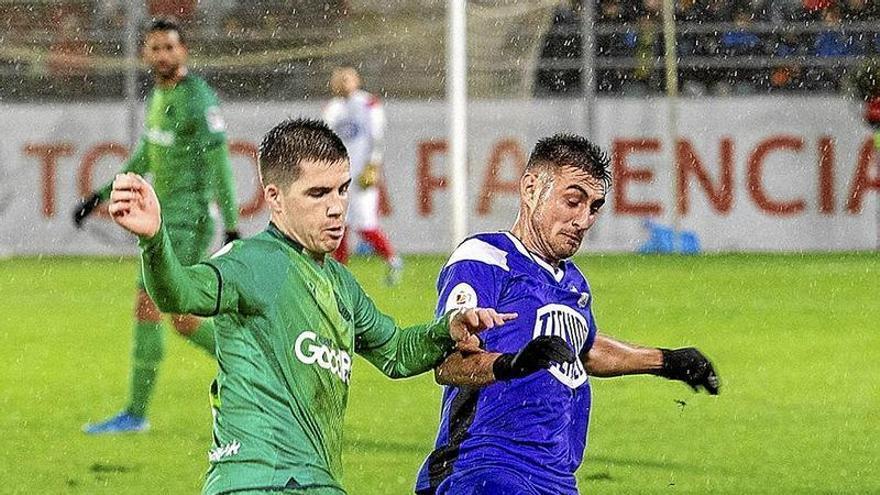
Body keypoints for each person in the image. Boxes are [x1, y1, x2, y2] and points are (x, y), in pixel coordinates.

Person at [106, 118, 574, 495]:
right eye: (317, 193)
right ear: (275, 199)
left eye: (342, 189)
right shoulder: (251, 262)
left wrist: (449, 328)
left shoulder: (339, 284)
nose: (337, 208)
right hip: (253, 479)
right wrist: (154, 240)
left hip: (317, 482)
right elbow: (179, 294)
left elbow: (394, 351)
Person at [414, 134, 720, 495]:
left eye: (593, 207)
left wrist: (665, 361)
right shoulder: (485, 258)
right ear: (531, 189)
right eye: (573, 201)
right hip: (485, 469)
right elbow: (448, 364)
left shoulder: (573, 284)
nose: (584, 219)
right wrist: (512, 364)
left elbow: (586, 350)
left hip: (556, 480)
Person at [76, 19, 240, 435]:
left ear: (184, 51)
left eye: (169, 46)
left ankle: (136, 413)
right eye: (155, 47)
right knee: (179, 317)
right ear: (145, 54)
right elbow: (143, 157)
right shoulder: (159, 97)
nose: (162, 54)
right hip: (164, 220)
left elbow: (220, 161)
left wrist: (233, 226)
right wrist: (99, 195)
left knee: (157, 308)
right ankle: (246, 366)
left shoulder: (198, 98)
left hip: (189, 219)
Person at [322, 67, 403, 285]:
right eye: (338, 79)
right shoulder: (333, 108)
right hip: (339, 176)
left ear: (356, 81)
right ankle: (339, 273)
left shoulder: (368, 103)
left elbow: (377, 137)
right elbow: (326, 138)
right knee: (340, 223)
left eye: (346, 79)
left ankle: (393, 260)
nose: (342, 83)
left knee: (365, 224)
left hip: (362, 175)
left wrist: (373, 165)